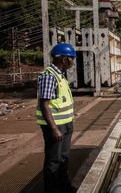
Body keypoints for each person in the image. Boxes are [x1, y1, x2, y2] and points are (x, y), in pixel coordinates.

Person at [36, 43, 76, 193]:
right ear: (64, 59)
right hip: (56, 127)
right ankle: (52, 190)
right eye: (72, 58)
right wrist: (53, 129)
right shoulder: (49, 76)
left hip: (65, 124)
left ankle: (64, 187)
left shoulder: (60, 75)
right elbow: (44, 104)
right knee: (53, 161)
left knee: (64, 158)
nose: (73, 61)